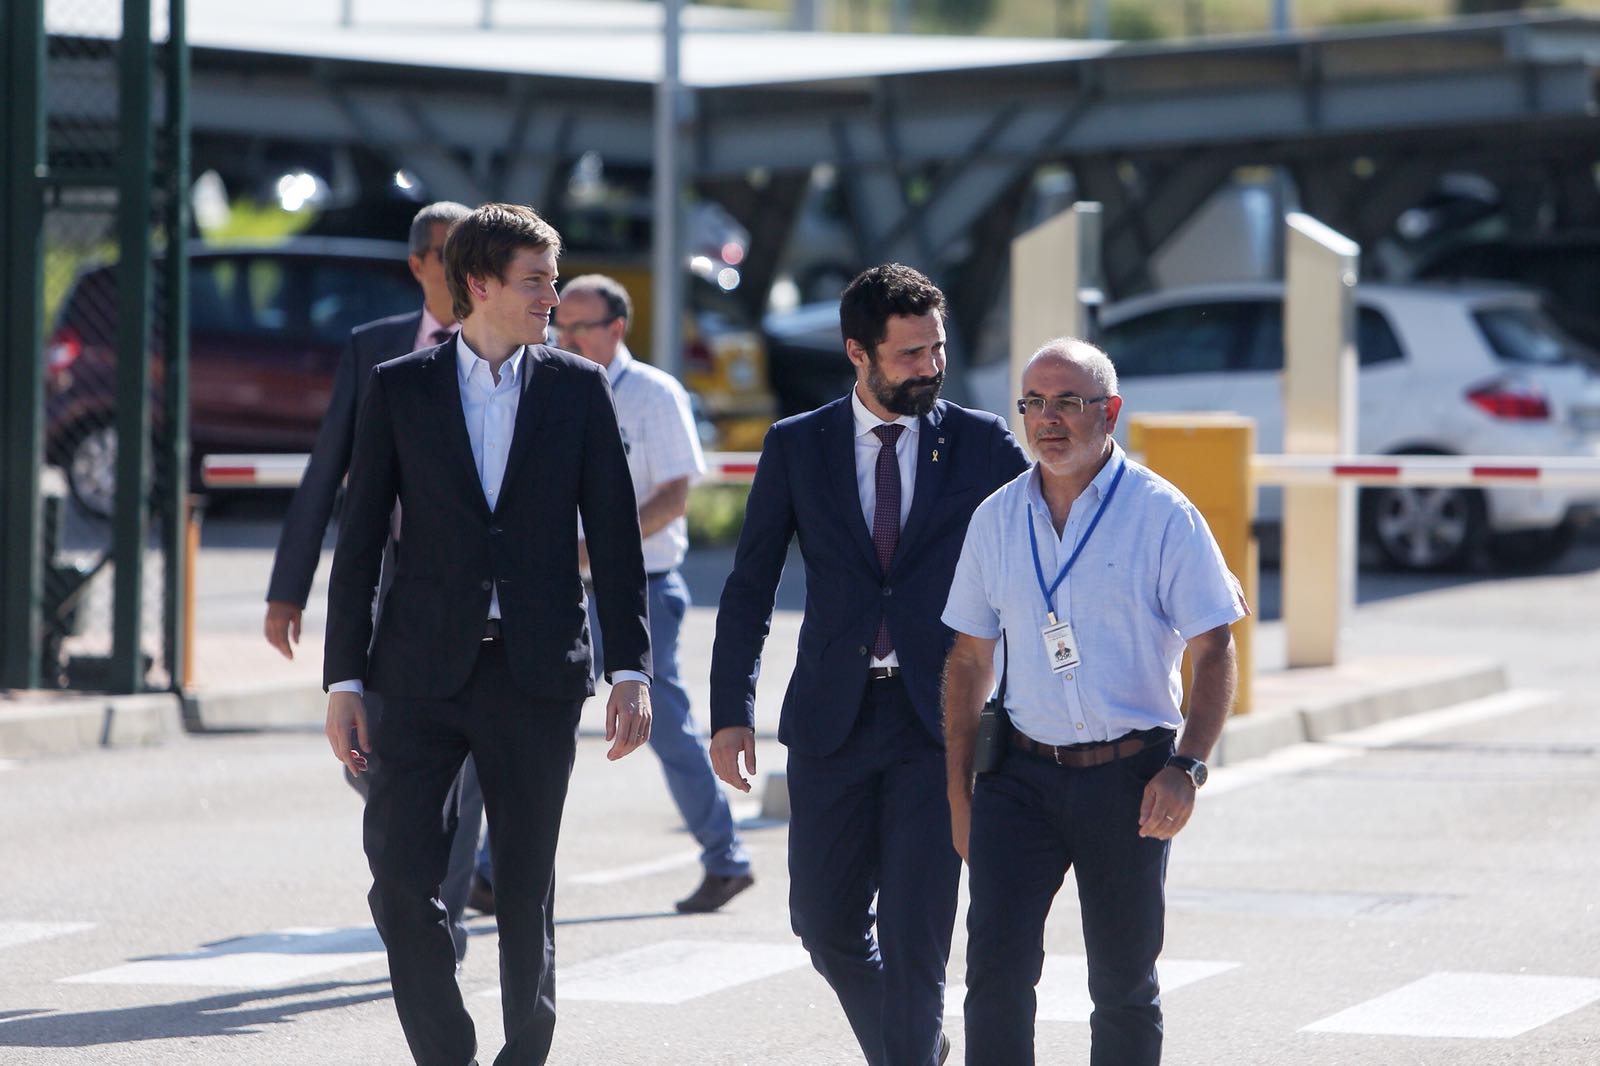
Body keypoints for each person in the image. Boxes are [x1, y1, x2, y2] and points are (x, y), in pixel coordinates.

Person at [322, 203, 653, 1066]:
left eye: (552, 277)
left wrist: (631, 669)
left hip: (537, 673)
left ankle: (524, 1051)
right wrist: (343, 683)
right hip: (419, 672)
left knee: (524, 888)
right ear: (479, 285)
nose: (553, 294)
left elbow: (615, 539)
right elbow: (358, 543)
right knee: (400, 882)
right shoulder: (401, 387)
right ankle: (446, 1053)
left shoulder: (579, 390)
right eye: (537, 280)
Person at [709, 264, 1029, 1066]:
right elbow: (749, 585)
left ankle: (910, 1048)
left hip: (939, 722)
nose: (931, 366)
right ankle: (914, 1045)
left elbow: (1033, 567)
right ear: (859, 353)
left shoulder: (983, 444)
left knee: (917, 939)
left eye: (938, 349)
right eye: (911, 353)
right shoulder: (796, 446)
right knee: (822, 924)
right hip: (831, 719)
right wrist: (729, 710)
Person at [941, 338, 1247, 1066]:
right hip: (1020, 775)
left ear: (1109, 412)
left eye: (1069, 403)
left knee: (1121, 983)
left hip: (1129, 779)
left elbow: (1215, 651)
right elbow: (967, 660)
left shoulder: (1162, 514)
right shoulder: (995, 519)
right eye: (1034, 403)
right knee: (996, 973)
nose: (1048, 420)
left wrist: (1188, 767)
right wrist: (959, 791)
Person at [261, 200, 491, 959]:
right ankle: (414, 870)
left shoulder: (504, 345)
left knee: (465, 775)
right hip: (396, 585)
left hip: (485, 598)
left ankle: (440, 920)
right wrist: (287, 589)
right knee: (382, 759)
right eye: (450, 252)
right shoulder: (375, 349)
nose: (464, 268)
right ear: (420, 264)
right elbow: (328, 469)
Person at [557, 273, 756, 914]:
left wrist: (600, 549)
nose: (565, 336)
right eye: (560, 325)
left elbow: (675, 497)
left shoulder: (652, 394)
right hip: (562, 587)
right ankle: (483, 867)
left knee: (664, 723)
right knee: (530, 715)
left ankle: (725, 856)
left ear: (616, 329)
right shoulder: (552, 387)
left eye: (579, 326)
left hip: (641, 586)